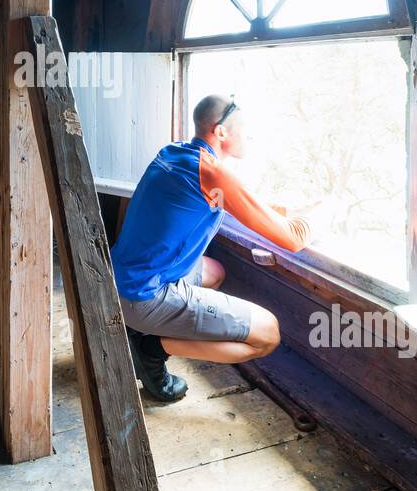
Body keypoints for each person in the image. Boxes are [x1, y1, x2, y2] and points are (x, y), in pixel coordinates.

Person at [111, 94, 312, 401]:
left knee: (215, 272)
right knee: (268, 336)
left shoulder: (177, 152)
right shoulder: (213, 173)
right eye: (242, 128)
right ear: (220, 132)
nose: (249, 135)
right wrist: (323, 212)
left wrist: (282, 209)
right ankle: (151, 348)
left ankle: (146, 332)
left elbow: (235, 200)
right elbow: (295, 239)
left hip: (122, 279)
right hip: (145, 296)